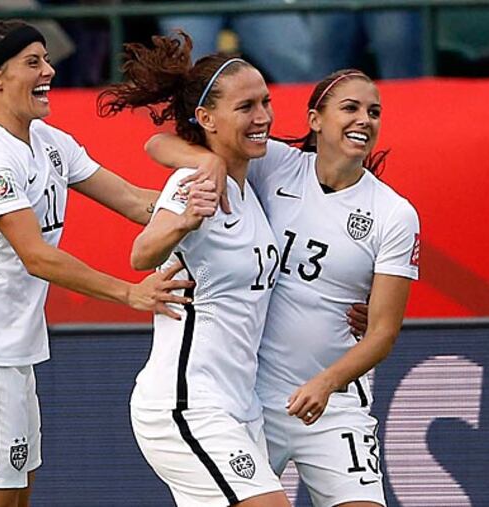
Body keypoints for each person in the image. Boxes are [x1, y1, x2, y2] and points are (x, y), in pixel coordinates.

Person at [0, 17, 193, 507]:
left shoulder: (49, 143)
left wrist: (199, 202)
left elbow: (134, 201)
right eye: (33, 62)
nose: (49, 70)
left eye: (46, 59)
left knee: (18, 500)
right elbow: (37, 256)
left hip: (13, 358)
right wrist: (130, 292)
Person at [145, 69, 420, 507]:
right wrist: (206, 161)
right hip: (254, 398)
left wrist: (327, 383)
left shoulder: (394, 214)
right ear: (315, 119)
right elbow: (157, 144)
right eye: (350, 108)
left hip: (331, 402)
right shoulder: (273, 165)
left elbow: (383, 332)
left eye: (374, 112)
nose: (364, 119)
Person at [97, 32, 292, 507]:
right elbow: (142, 253)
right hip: (186, 403)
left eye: (266, 101)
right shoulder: (193, 182)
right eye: (246, 107)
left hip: (240, 406)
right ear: (206, 118)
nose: (263, 116)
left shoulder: (249, 185)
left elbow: (156, 143)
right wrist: (183, 221)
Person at [158, 0, 313, 83]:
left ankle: (310, 131)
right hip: (185, 3)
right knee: (190, 73)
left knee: (294, 59)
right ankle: (194, 134)